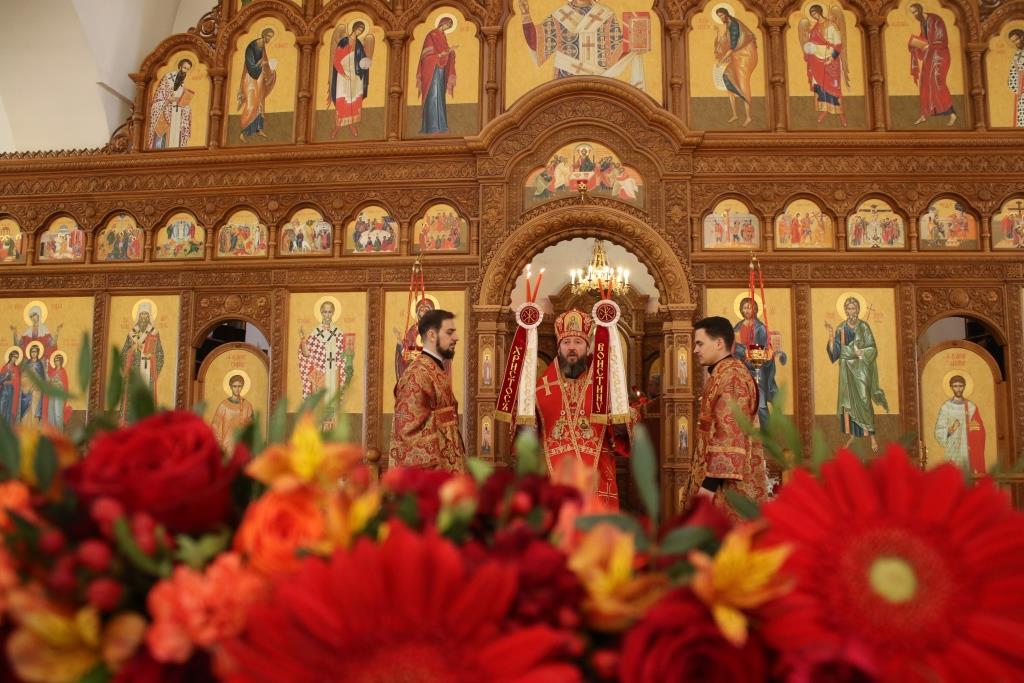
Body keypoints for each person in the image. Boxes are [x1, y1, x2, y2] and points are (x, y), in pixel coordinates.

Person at [534, 309, 633, 509]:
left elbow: (622, 434)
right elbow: (527, 438)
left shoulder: (605, 386)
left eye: (578, 342)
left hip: (597, 476)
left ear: (588, 347)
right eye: (566, 342)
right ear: (558, 348)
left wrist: (623, 422)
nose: (572, 347)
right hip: (555, 479)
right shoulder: (539, 390)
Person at [682, 316, 768, 518]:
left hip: (727, 491)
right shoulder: (722, 374)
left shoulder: (732, 377)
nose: (695, 350)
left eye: (700, 343)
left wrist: (707, 489)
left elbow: (730, 435)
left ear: (719, 343)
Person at [389, 309, 465, 472]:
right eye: (449, 332)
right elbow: (406, 431)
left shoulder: (433, 369)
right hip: (431, 473)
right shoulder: (416, 374)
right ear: (432, 335)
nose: (456, 337)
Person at [519, 0, 644, 88]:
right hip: (566, 82)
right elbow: (537, 43)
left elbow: (615, 54)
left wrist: (635, 41)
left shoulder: (606, 15)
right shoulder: (560, 15)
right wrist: (525, 15)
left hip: (598, 82)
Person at [825, 297, 888, 453]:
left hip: (861, 370)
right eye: (848, 309)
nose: (850, 311)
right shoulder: (841, 328)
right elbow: (836, 353)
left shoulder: (864, 327)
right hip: (846, 370)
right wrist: (831, 335)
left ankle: (871, 436)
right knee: (849, 403)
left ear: (858, 310)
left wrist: (860, 352)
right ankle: (853, 435)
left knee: (864, 400)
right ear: (845, 310)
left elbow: (872, 348)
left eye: (853, 308)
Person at [298, 300, 350, 431]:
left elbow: (344, 355)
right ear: (321, 313)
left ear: (333, 313)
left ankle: (331, 431)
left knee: (332, 401)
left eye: (330, 312)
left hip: (334, 374)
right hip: (319, 375)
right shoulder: (315, 333)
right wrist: (303, 339)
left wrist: (341, 366)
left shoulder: (339, 333)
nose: (327, 315)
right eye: (325, 312)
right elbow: (306, 354)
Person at [732, 297, 781, 427]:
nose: (747, 310)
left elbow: (763, 348)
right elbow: (733, 347)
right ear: (741, 310)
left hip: (757, 369)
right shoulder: (737, 327)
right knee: (741, 402)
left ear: (755, 309)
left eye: (750, 307)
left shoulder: (760, 328)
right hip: (742, 368)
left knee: (760, 403)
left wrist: (749, 352)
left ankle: (767, 434)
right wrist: (741, 351)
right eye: (744, 308)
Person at [799, 4, 849, 126]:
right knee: (820, 87)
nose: (814, 16)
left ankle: (840, 113)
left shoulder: (831, 25)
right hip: (816, 61)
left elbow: (838, 44)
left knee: (834, 87)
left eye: (815, 13)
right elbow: (811, 42)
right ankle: (824, 110)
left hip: (830, 61)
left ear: (820, 12)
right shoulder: (814, 27)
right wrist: (809, 48)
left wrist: (832, 58)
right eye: (812, 14)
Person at [908, 3, 957, 126]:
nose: (914, 15)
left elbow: (942, 39)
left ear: (920, 10)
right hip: (930, 56)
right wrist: (914, 44)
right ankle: (924, 114)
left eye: (915, 12)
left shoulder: (936, 20)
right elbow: (923, 38)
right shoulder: (922, 22)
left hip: (940, 55)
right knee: (924, 82)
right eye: (912, 13)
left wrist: (929, 45)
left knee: (937, 80)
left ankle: (952, 113)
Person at [714, 6, 758, 127]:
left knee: (743, 84)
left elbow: (733, 47)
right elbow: (725, 43)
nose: (721, 18)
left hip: (744, 57)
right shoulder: (729, 25)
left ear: (726, 14)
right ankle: (735, 114)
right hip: (736, 56)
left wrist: (722, 60)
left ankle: (748, 116)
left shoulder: (733, 25)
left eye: (721, 15)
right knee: (727, 77)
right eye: (719, 16)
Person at [120, 302, 164, 423]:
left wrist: (152, 356)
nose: (144, 317)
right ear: (138, 316)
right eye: (142, 314)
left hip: (148, 370)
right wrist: (132, 349)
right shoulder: (132, 333)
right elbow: (123, 354)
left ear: (149, 316)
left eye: (146, 314)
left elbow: (160, 354)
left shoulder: (154, 332)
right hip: (134, 370)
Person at [329, 21, 373, 139]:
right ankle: (338, 126)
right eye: (358, 29)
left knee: (353, 100)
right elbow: (336, 60)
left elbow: (362, 61)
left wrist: (365, 64)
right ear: (354, 28)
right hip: (343, 75)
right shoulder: (343, 42)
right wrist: (343, 74)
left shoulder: (359, 44)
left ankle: (351, 124)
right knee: (342, 99)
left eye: (361, 31)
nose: (359, 32)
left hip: (355, 76)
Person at [933, 375, 985, 474]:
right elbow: (938, 431)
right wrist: (951, 429)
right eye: (955, 386)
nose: (958, 389)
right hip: (952, 448)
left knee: (967, 476)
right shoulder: (946, 407)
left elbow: (979, 430)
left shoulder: (971, 407)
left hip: (967, 450)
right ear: (951, 387)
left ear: (964, 386)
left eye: (960, 386)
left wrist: (973, 430)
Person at [416, 17, 456, 134]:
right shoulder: (432, 35)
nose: (447, 28)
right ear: (442, 23)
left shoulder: (443, 36)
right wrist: (439, 55)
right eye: (447, 25)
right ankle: (432, 126)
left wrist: (450, 52)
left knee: (440, 96)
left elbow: (444, 52)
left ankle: (441, 126)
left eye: (449, 27)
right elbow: (425, 55)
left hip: (440, 70)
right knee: (433, 95)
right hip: (431, 70)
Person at [237, 28, 277, 142]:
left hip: (259, 78)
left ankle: (259, 129)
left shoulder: (262, 47)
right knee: (251, 104)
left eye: (271, 37)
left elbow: (265, 63)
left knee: (260, 103)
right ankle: (243, 131)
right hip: (250, 78)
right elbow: (250, 64)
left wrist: (271, 71)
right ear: (263, 35)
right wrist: (261, 64)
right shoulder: (252, 46)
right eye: (268, 36)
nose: (269, 39)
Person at [147, 58, 195, 149]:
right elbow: (159, 96)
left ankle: (177, 147)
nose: (185, 71)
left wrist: (182, 100)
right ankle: (159, 148)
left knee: (187, 110)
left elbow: (179, 95)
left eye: (188, 69)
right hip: (163, 105)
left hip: (175, 107)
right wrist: (168, 100)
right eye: (184, 68)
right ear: (180, 66)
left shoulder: (182, 81)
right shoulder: (168, 77)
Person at [211, 374, 255, 455]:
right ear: (230, 387)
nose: (237, 389)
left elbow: (252, 428)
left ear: (242, 387)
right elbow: (215, 426)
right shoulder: (223, 405)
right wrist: (220, 444)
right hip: (226, 445)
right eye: (235, 386)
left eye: (239, 386)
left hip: (242, 445)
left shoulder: (247, 405)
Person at [19, 343, 47, 426]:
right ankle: (25, 426)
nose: (33, 353)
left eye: (35, 351)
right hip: (26, 390)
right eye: (32, 351)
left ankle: (34, 427)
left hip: (36, 390)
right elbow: (23, 376)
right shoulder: (26, 364)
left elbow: (42, 378)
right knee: (26, 408)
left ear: (38, 353)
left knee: (34, 408)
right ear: (30, 352)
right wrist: (27, 385)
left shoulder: (40, 364)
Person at [44, 351, 72, 430]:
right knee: (51, 413)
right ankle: (52, 432)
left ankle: (59, 432)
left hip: (59, 395)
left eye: (58, 360)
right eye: (55, 360)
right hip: (52, 394)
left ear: (61, 361)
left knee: (58, 413)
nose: (56, 362)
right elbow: (48, 380)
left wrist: (58, 383)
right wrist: (46, 371)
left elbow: (64, 385)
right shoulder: (53, 372)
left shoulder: (63, 372)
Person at [0, 349, 21, 426]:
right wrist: (5, 377)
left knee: (9, 408)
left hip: (11, 391)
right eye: (13, 356)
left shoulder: (16, 369)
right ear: (10, 356)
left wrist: (11, 380)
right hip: (3, 390)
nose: (14, 358)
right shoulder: (4, 367)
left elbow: (17, 381)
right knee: (1, 407)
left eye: (16, 357)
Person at [1008, 29, 1024, 128]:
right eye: (1013, 41)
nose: (1016, 43)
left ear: (1022, 37)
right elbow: (1015, 70)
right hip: (1020, 87)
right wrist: (1016, 86)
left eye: (1016, 39)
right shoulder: (1017, 53)